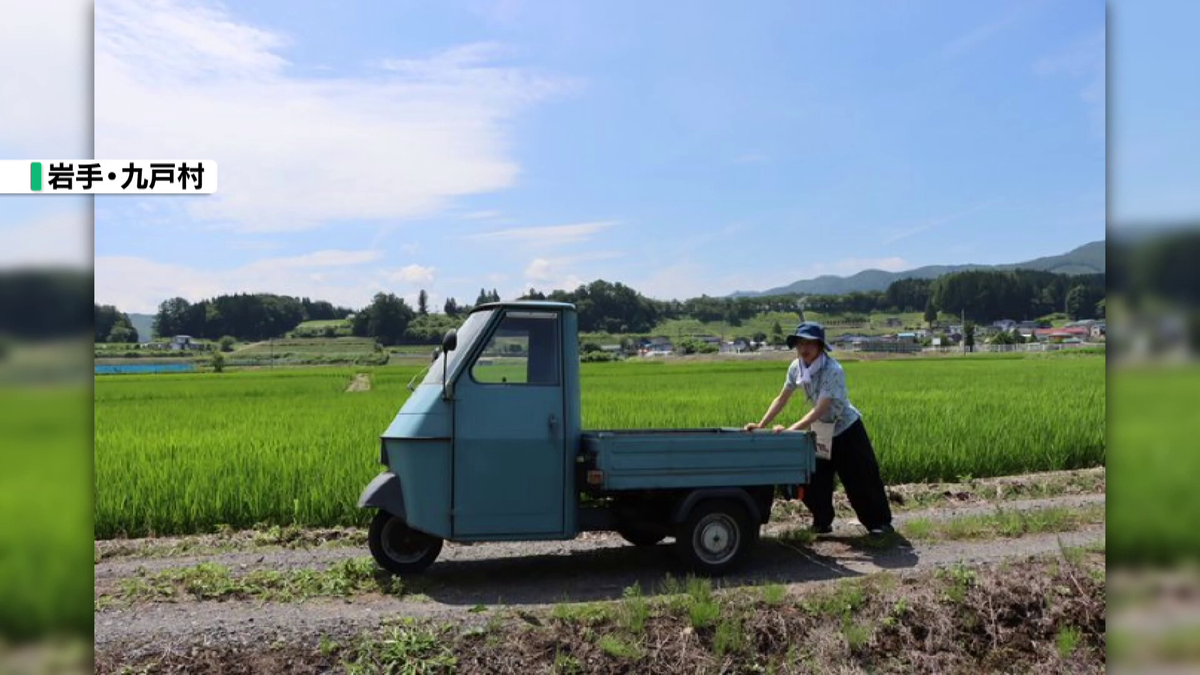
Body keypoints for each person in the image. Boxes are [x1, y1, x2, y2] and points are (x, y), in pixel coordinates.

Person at [744, 321, 894, 537]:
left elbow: (820, 409)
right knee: (815, 480)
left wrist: (790, 431)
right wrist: (761, 425)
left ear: (820, 347)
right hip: (822, 431)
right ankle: (822, 522)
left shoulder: (833, 370)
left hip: (846, 429)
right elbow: (782, 398)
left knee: (860, 477)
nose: (804, 348)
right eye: (800, 343)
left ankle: (880, 524)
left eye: (810, 344)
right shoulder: (796, 367)